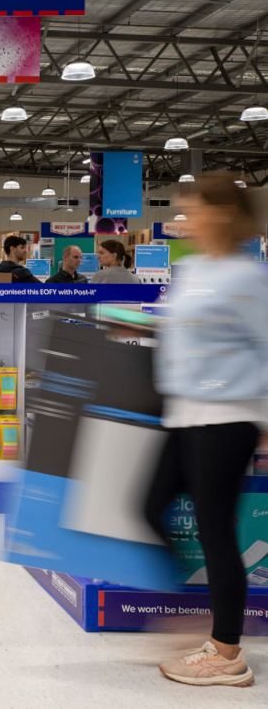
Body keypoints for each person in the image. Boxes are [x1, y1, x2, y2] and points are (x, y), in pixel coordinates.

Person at [145, 173, 267, 687]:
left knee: (215, 531)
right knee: (147, 506)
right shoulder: (193, 269)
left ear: (221, 214)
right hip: (184, 413)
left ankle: (227, 653)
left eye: (193, 209)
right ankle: (191, 617)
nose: (185, 219)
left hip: (227, 417)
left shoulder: (247, 277)